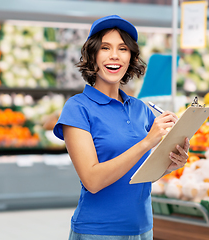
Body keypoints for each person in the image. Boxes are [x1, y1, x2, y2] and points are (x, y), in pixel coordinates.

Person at [53, 15, 190, 240]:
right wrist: (147, 141)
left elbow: (141, 174)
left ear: (130, 58)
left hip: (142, 229)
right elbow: (92, 180)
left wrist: (171, 163)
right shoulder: (77, 108)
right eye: (105, 47)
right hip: (97, 231)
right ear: (93, 55)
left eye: (123, 48)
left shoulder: (140, 109)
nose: (114, 55)